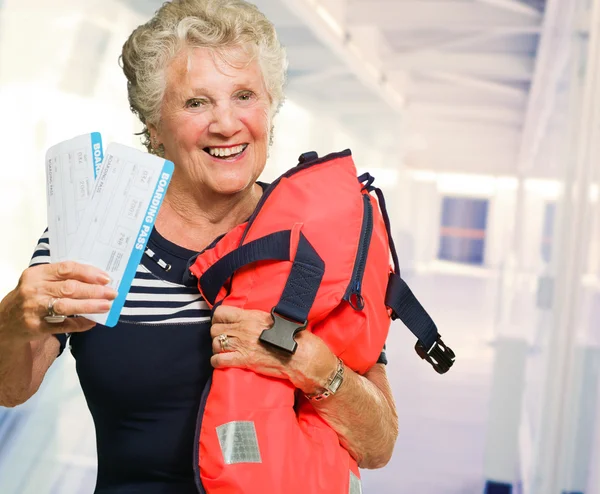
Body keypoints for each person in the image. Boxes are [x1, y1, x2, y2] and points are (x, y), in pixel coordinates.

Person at [0, 0, 399, 492]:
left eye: (245, 95)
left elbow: (378, 446)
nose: (226, 124)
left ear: (270, 107)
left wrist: (309, 363)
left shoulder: (318, 239)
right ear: (153, 123)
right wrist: (11, 320)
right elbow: (12, 389)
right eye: (196, 102)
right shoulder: (97, 233)